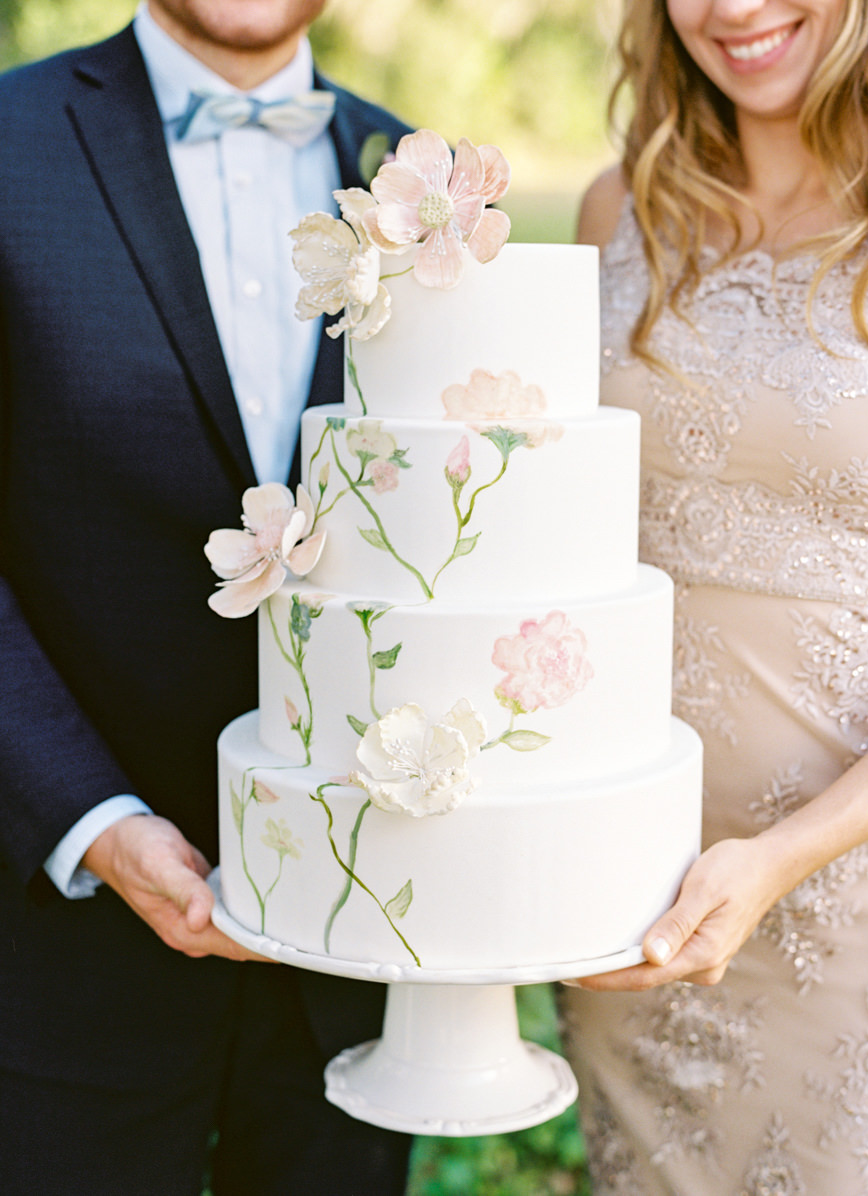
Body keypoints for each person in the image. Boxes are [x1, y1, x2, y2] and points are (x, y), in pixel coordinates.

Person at [0, 2, 414, 1192]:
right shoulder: (13, 141)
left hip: (354, 951)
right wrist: (92, 824)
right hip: (62, 949)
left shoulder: (421, 185)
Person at [560, 0, 868, 1191]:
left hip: (862, 915)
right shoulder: (621, 211)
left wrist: (780, 858)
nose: (732, 11)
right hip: (631, 896)